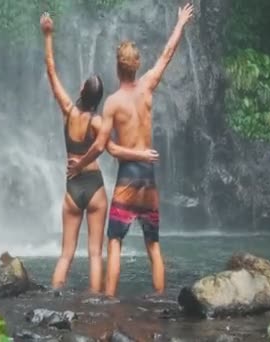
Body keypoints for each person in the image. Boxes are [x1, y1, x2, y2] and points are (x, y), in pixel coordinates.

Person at [68, 4, 194, 297]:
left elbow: (101, 146)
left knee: (114, 241)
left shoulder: (112, 102)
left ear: (117, 67)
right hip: (148, 176)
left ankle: (110, 300)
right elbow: (167, 53)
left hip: (127, 179)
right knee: (153, 245)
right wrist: (180, 23)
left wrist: (78, 165)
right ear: (137, 66)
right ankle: (161, 298)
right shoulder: (148, 86)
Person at [40, 12, 158, 293]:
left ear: (82, 90)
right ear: (99, 99)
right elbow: (103, 146)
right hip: (93, 186)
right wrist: (85, 162)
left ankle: (54, 295)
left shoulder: (68, 112)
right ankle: (96, 304)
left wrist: (47, 35)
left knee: (65, 254)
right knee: (95, 253)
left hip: (72, 187)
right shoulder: (98, 121)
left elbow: (51, 71)